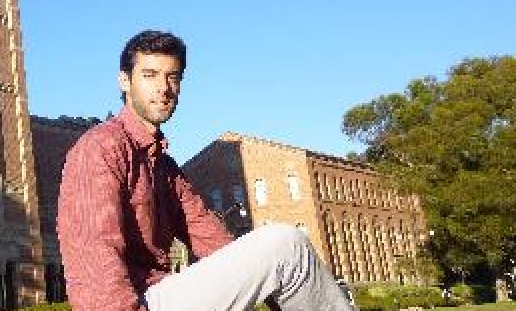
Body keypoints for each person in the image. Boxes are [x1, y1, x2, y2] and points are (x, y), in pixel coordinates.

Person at [57, 30, 354, 311]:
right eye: (150, 75)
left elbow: (214, 242)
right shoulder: (101, 147)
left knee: (283, 253)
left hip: (163, 290)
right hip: (134, 301)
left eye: (172, 77)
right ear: (124, 81)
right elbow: (92, 254)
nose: (163, 88)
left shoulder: (165, 168)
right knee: (286, 244)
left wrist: (270, 282)